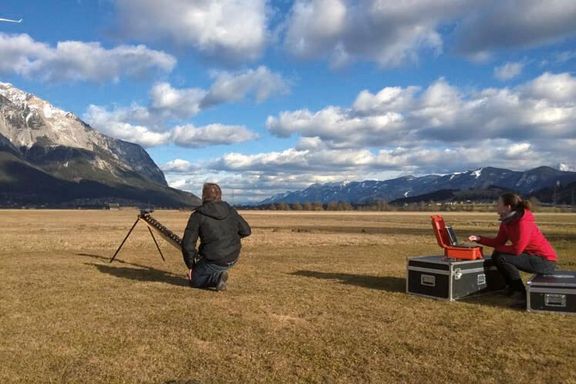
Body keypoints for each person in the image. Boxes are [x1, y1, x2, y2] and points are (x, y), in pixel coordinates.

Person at [468, 192, 557, 307]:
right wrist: (479, 239)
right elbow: (498, 242)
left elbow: (517, 250)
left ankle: (520, 291)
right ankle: (511, 288)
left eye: (498, 203)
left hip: (545, 261)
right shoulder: (507, 222)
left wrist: (498, 249)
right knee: (498, 255)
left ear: (507, 207)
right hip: (531, 256)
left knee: (501, 256)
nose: (496, 206)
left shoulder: (523, 223)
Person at [182, 183, 251, 291]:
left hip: (214, 260)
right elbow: (246, 231)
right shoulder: (230, 210)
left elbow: (187, 244)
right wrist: (230, 241)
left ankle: (216, 278)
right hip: (233, 257)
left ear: (203, 196)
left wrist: (191, 266)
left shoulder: (197, 215)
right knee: (209, 264)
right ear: (220, 195)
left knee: (194, 280)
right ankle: (218, 274)